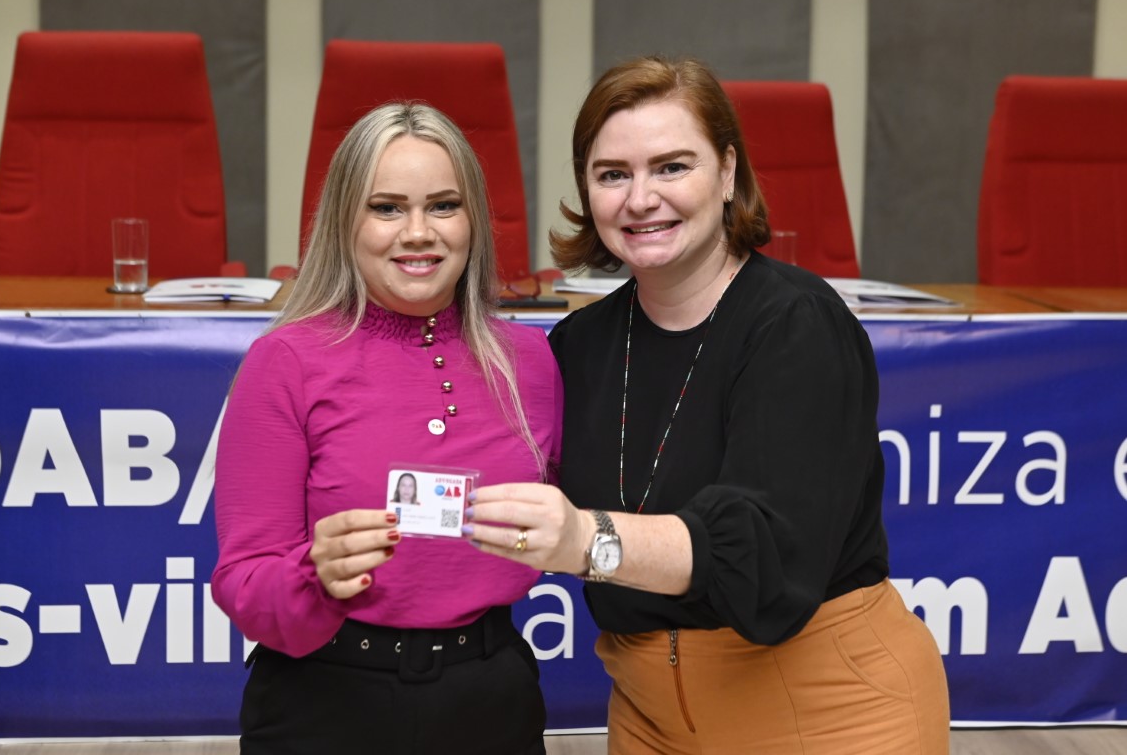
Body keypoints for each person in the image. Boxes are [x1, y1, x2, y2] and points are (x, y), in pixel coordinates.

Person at [464, 57, 950, 753]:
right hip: (649, 715)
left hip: (830, 711)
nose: (640, 198)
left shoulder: (798, 324)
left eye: (671, 167)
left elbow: (763, 556)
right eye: (612, 174)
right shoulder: (578, 345)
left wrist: (584, 540)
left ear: (727, 172)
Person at [212, 102, 561, 755]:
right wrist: (313, 574)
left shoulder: (532, 362)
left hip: (492, 700)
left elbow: (576, 531)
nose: (418, 233)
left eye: (444, 206)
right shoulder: (285, 361)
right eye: (387, 208)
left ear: (474, 221)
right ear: (346, 221)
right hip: (323, 702)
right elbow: (243, 584)